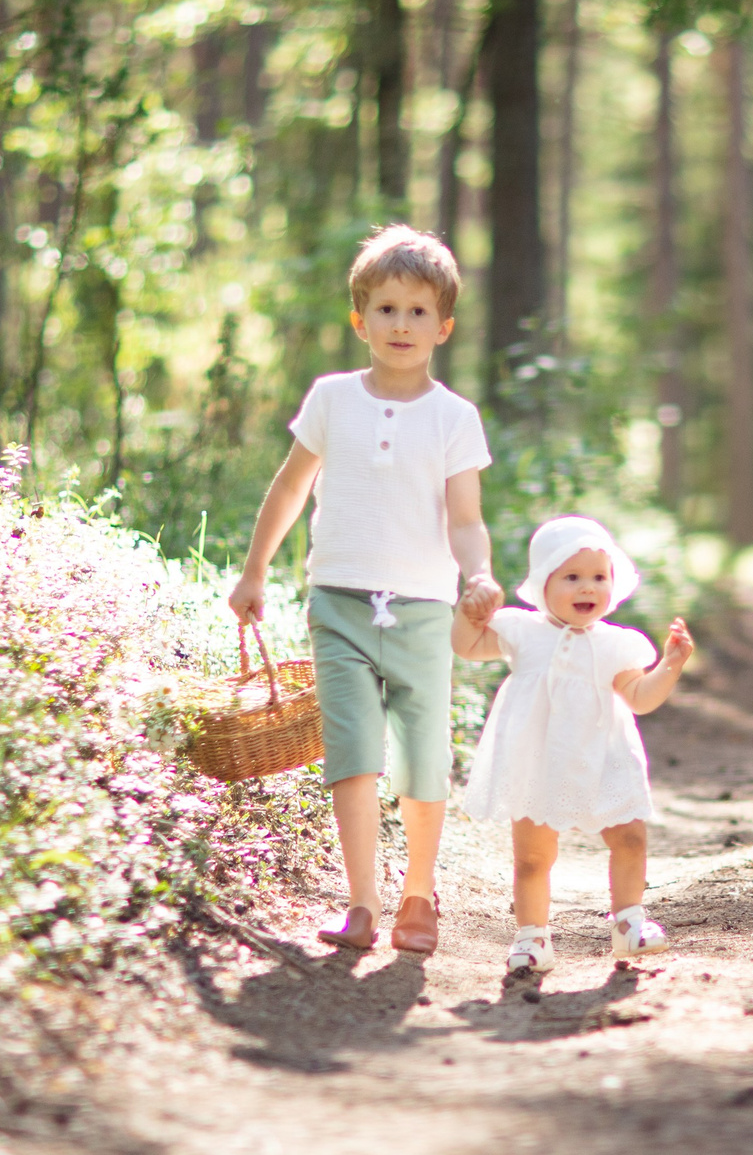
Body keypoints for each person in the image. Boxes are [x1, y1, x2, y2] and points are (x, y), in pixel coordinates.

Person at [227, 226, 503, 955]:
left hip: (422, 608)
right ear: (360, 320)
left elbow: (467, 520)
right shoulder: (332, 399)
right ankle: (360, 900)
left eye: (418, 312)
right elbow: (290, 486)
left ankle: (418, 891)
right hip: (339, 603)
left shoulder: (453, 417)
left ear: (443, 326)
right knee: (351, 752)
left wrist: (479, 575)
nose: (401, 324)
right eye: (386, 309)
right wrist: (254, 570)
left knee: (420, 756)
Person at [455, 515, 694, 976]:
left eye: (599, 577)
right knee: (532, 856)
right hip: (537, 759)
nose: (588, 588)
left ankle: (629, 923)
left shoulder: (615, 644)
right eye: (572, 577)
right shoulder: (521, 631)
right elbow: (466, 647)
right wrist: (467, 616)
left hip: (602, 754)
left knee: (629, 836)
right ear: (543, 584)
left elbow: (641, 698)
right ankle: (532, 937)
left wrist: (670, 666)